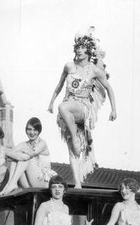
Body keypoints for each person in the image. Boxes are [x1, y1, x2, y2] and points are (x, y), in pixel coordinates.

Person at [47, 27, 117, 188]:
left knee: (63, 108)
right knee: (72, 147)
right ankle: (78, 183)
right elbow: (59, 85)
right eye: (77, 48)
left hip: (83, 109)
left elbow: (109, 88)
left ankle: (76, 137)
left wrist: (114, 109)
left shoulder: (94, 70)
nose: (79, 50)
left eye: (82, 48)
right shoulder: (69, 66)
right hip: (67, 111)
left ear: (89, 51)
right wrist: (51, 102)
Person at [0, 117, 57, 195]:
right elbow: (9, 156)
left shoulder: (42, 143)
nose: (32, 132)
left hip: (43, 182)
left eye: (35, 130)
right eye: (29, 129)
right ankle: (10, 184)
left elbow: (28, 155)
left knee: (26, 158)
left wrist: (6, 152)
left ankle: (12, 183)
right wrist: (8, 153)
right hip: (28, 184)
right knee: (15, 159)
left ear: (39, 131)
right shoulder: (23, 144)